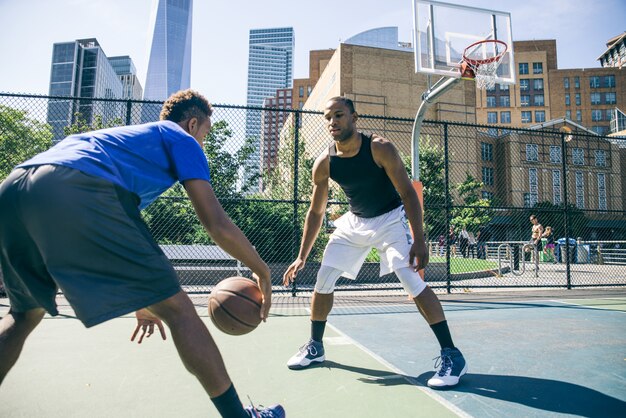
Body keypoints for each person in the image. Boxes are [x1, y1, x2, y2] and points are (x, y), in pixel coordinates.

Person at [0, 89, 284, 418]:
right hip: (77, 186)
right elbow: (215, 223)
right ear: (193, 124)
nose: (203, 142)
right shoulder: (182, 138)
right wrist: (262, 271)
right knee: (179, 309)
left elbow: (115, 234)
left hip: (15, 189)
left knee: (23, 316)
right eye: (206, 133)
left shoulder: (129, 145)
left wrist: (142, 298)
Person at [282, 97, 467, 388]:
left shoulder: (380, 148)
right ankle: (315, 347)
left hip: (391, 219)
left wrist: (420, 239)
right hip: (355, 222)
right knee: (324, 278)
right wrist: (302, 255)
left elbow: (407, 193)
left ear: (354, 117)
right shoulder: (325, 163)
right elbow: (316, 211)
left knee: (410, 279)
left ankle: (452, 355)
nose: (333, 122)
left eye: (339, 115)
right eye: (328, 117)